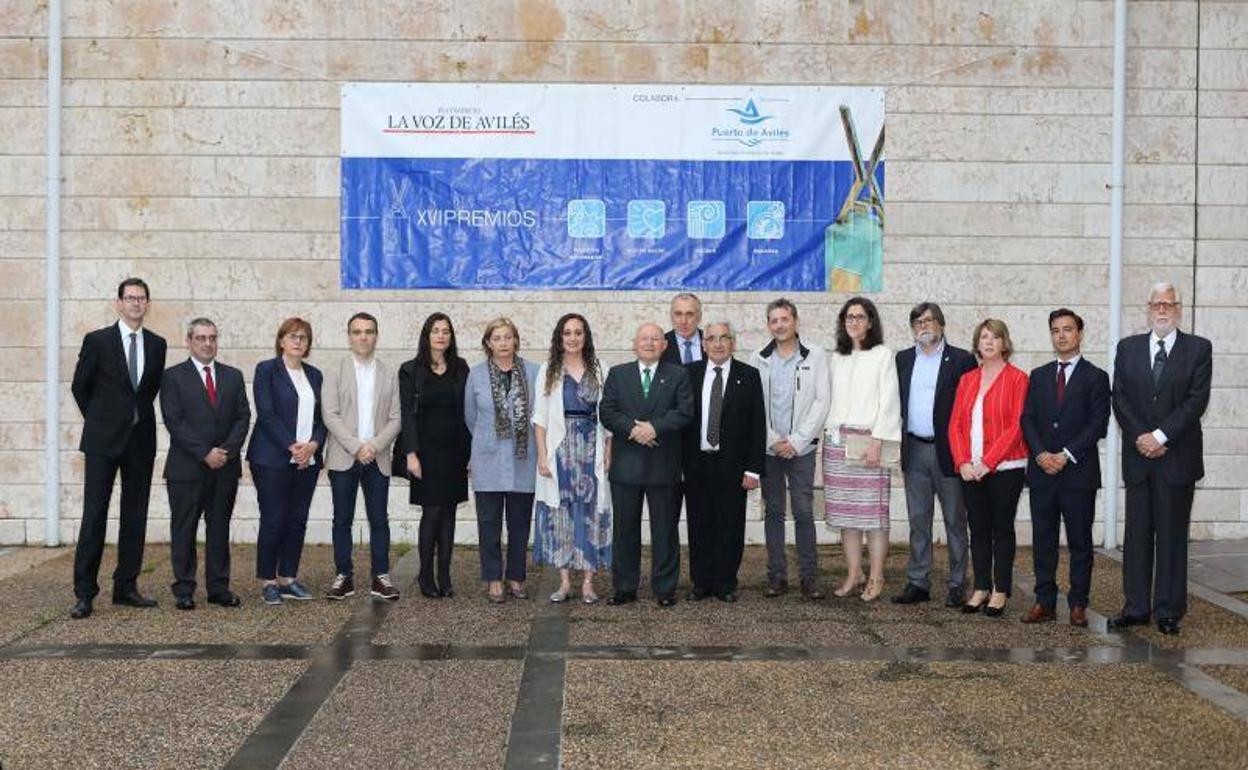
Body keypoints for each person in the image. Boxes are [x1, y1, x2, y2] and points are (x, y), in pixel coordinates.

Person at [1108, 282, 1212, 636]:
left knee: (1171, 536)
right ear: (1148, 308)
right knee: (1136, 536)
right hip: (1139, 459)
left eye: (1169, 303)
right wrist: (1142, 437)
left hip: (1176, 458)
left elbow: (1196, 401)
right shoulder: (1128, 348)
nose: (1163, 309)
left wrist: (1161, 436)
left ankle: (1168, 610)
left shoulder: (1198, 349)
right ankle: (1136, 607)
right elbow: (1119, 397)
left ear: (1179, 308)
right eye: (1157, 304)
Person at [69, 277, 168, 619]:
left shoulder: (158, 344)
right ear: (119, 303)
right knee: (94, 514)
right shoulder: (98, 341)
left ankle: (126, 586)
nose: (136, 303)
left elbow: (148, 390)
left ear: (147, 304)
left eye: (141, 298)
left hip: (140, 443)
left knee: (135, 515)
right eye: (130, 298)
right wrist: (101, 420)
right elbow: (80, 387)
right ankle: (84, 593)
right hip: (102, 442)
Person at [1020, 308, 1110, 628]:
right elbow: (1027, 419)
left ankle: (1078, 604)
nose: (1061, 335)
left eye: (1068, 329)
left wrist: (1066, 453)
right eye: (1056, 330)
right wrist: (1041, 453)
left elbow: (1098, 424)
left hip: (1077, 474)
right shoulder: (1039, 375)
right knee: (1043, 541)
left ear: (1080, 334)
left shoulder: (1096, 377)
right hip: (1042, 472)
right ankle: (1044, 601)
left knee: (1079, 542)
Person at [600, 322, 694, 607]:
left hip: (663, 465)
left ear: (665, 345)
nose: (650, 343)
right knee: (624, 530)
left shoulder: (678, 375)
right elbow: (607, 411)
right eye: (644, 338)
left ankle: (665, 589)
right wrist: (633, 429)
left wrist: (654, 428)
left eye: (656, 339)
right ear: (634, 344)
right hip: (626, 466)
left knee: (664, 531)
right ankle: (624, 587)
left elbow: (684, 412)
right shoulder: (618, 374)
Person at [159, 317, 250, 610]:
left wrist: (224, 451)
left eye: (212, 337)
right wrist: (204, 453)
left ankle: (218, 587)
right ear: (189, 341)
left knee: (219, 528)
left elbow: (242, 418)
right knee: (184, 529)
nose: (207, 343)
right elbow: (175, 421)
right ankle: (184, 589)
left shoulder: (233, 376)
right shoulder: (173, 377)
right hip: (186, 468)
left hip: (224, 467)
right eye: (201, 338)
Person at [892, 302, 977, 608]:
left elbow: (970, 408)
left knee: (955, 519)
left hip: (949, 452)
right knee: (918, 519)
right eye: (917, 322)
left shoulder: (962, 360)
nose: (923, 326)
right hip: (914, 449)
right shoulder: (902, 359)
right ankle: (918, 582)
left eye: (929, 321)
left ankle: (957, 584)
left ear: (941, 325)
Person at [823, 297, 903, 603]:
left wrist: (878, 440)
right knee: (847, 515)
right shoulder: (837, 357)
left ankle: (877, 575)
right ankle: (854, 572)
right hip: (837, 442)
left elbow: (890, 400)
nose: (854, 322)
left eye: (860, 316)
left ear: (871, 322)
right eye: (848, 317)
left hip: (869, 442)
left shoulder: (883, 355)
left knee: (873, 517)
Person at [948, 319, 1029, 618]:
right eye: (984, 336)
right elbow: (955, 424)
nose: (989, 341)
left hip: (1006, 467)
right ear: (977, 344)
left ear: (1005, 344)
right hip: (971, 469)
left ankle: (1000, 590)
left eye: (995, 337)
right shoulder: (967, 379)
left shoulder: (1018, 379)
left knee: (1002, 529)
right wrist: (963, 462)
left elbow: (1016, 427)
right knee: (978, 528)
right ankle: (981, 586)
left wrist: (987, 462)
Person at [751, 298, 830, 601]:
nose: (780, 325)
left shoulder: (816, 355)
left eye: (785, 319)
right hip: (770, 450)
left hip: (802, 451)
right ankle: (777, 578)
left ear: (795, 322)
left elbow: (822, 402)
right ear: (768, 325)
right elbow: (755, 405)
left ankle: (809, 580)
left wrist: (796, 441)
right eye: (774, 320)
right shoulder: (759, 358)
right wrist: (773, 440)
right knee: (773, 513)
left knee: (803, 512)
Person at [682, 321, 765, 603]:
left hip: (733, 466)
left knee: (730, 526)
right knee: (699, 524)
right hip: (696, 464)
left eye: (724, 338)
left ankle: (726, 582)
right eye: (712, 339)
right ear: (703, 344)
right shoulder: (689, 374)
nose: (718, 344)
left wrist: (754, 469)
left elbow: (757, 426)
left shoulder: (749, 375)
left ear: (733, 343)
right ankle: (701, 582)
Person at [322, 312, 402, 602]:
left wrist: (375, 446)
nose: (363, 337)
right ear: (349, 336)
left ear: (376, 336)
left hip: (377, 459)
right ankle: (344, 577)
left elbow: (396, 417)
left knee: (379, 519)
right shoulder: (335, 371)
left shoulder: (388, 373)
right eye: (357, 332)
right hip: (344, 457)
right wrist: (356, 446)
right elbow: (329, 414)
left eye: (368, 332)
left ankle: (380, 578)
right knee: (341, 520)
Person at [533, 314, 612, 604]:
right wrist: (542, 456)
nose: (573, 337)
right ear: (560, 337)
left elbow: (609, 416)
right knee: (560, 515)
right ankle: (565, 582)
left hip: (592, 449)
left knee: (592, 513)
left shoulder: (601, 368)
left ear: (586, 337)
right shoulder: (548, 370)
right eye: (567, 332)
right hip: (560, 451)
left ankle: (589, 583)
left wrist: (608, 451)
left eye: (578, 332)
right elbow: (539, 419)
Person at [247, 317, 326, 606]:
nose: (298, 341)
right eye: (292, 336)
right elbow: (266, 413)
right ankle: (268, 581)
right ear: (281, 340)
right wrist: (293, 448)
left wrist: (313, 446)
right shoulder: (266, 370)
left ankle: (288, 578)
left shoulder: (315, 375)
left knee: (297, 520)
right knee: (273, 518)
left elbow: (323, 418)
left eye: (303, 337)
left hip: (308, 460)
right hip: (271, 458)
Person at [465, 317, 540, 603]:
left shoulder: (534, 372)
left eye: (508, 337)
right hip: (488, 459)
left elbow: (539, 414)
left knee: (520, 523)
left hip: (524, 459)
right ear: (488, 343)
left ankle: (516, 577)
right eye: (497, 338)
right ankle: (494, 578)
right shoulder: (476, 375)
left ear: (516, 340)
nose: (503, 343)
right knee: (489, 523)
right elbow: (471, 417)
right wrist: (485, 440)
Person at [398, 312, 471, 599]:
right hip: (426, 453)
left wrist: (470, 453)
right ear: (426, 335)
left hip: (454, 452)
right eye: (436, 330)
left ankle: (445, 573)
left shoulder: (460, 367)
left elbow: (467, 412)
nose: (441, 335)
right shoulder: (410, 370)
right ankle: (425, 575)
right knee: (432, 512)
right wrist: (411, 454)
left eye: (446, 331)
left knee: (450, 512)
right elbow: (406, 414)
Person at [660, 292, 703, 366]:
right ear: (671, 316)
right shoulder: (660, 344)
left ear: (699, 317)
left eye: (690, 314)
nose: (683, 321)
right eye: (678, 314)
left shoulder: (712, 341)